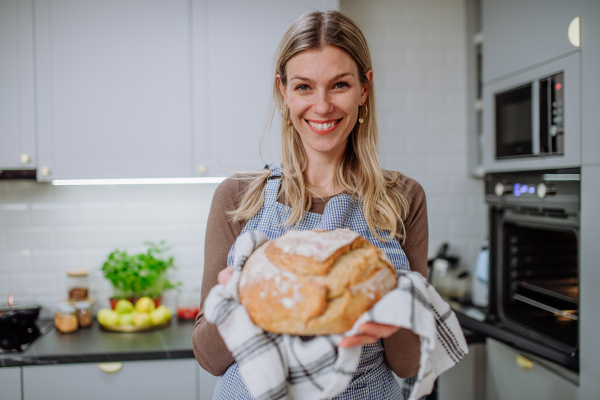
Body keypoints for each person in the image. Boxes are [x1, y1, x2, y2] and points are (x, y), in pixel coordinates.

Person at [192, 10, 428, 399]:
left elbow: (408, 363)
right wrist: (247, 295)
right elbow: (209, 358)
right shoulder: (237, 197)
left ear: (364, 89)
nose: (322, 106)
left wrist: (387, 297)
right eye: (304, 87)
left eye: (339, 85)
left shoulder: (402, 198)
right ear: (282, 91)